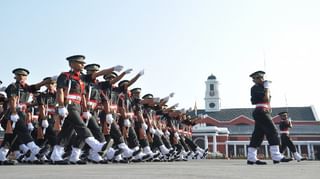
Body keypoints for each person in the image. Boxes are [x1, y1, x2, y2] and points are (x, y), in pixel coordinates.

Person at [50, 55, 113, 164]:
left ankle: (57, 156)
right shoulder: (65, 76)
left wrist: (84, 110)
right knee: (81, 126)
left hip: (78, 106)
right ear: (71, 64)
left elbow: (84, 94)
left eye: (83, 63)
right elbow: (60, 91)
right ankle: (97, 146)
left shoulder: (82, 78)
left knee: (66, 132)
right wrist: (60, 106)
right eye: (80, 63)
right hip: (68, 105)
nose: (83, 65)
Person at [247, 70, 292, 165]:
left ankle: (251, 158)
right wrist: (267, 88)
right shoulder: (256, 88)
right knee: (273, 132)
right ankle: (276, 156)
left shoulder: (262, 87)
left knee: (258, 135)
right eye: (258, 78)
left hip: (263, 111)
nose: (261, 79)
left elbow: (268, 102)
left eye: (262, 77)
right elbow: (266, 99)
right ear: (254, 80)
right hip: (261, 111)